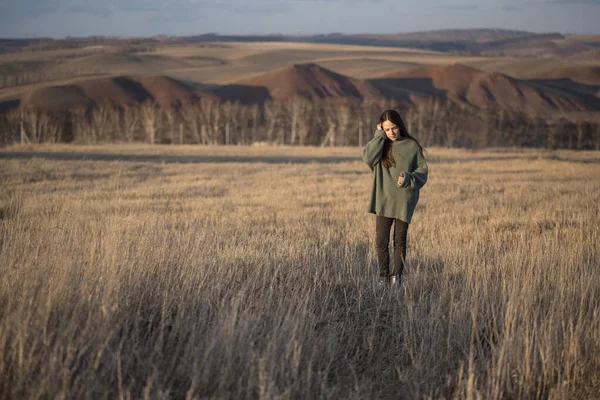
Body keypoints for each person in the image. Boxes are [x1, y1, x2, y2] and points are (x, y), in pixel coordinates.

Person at [362, 109, 428, 287]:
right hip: (383, 199)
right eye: (387, 129)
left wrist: (408, 178)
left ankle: (396, 279)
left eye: (394, 128)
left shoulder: (411, 146)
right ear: (382, 129)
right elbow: (367, 158)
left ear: (400, 126)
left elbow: (422, 171)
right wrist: (378, 135)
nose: (391, 132)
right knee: (381, 241)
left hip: (404, 200)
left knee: (399, 241)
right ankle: (383, 279)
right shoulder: (381, 144)